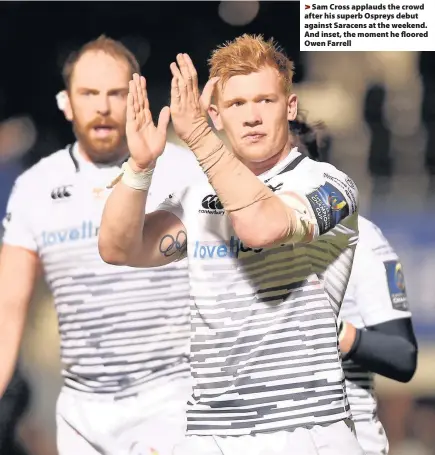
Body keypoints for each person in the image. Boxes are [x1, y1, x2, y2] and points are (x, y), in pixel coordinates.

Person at [99, 34, 364, 454]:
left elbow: (261, 226)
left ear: (290, 108)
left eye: (265, 101)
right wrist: (140, 166)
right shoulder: (198, 192)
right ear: (216, 114)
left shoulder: (328, 184)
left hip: (305, 427)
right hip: (210, 430)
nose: (252, 116)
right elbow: (119, 248)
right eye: (237, 104)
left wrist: (201, 139)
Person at [0, 35, 202, 455]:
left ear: (137, 98)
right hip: (82, 414)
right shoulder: (35, 187)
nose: (103, 106)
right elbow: (7, 308)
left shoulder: (187, 171)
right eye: (88, 93)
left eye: (116, 93)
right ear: (66, 103)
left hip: (177, 405)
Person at [291, 118, 418, 455]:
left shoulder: (360, 237)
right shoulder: (223, 238)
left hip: (343, 440)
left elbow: (402, 356)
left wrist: (329, 330)